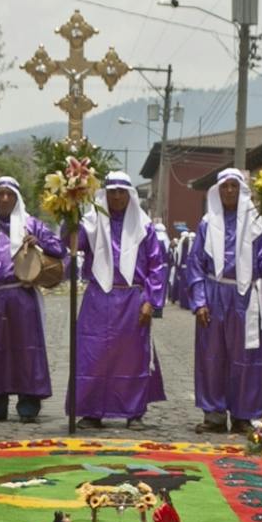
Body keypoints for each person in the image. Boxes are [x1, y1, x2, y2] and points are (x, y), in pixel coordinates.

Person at [69, 170, 166, 429]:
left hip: (133, 298)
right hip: (98, 297)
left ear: (130, 195)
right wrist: (68, 215)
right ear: (105, 195)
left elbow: (157, 266)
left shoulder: (144, 227)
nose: (117, 197)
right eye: (112, 192)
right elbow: (70, 247)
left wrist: (151, 301)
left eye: (122, 192)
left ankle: (133, 412)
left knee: (131, 357)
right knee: (93, 353)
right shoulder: (90, 223)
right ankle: (91, 411)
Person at [186, 168, 262, 434]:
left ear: (242, 190)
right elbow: (195, 265)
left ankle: (242, 415)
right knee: (212, 356)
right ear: (217, 191)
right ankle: (213, 414)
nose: (229, 192)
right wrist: (200, 301)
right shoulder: (206, 223)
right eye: (224, 187)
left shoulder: (258, 224)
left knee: (245, 357)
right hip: (214, 295)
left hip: (245, 297)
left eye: (234, 187)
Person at [0, 174, 59, 423]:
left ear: (16, 199)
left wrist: (40, 243)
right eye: (1, 194)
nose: (4, 199)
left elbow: (60, 248)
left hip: (23, 296)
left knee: (26, 350)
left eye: (9, 195)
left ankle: (28, 405)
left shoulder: (31, 224)